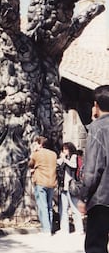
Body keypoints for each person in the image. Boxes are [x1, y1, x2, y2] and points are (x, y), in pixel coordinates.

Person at [77, 85, 109, 253]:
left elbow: (92, 170)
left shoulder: (97, 128)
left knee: (96, 246)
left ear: (96, 105)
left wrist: (83, 197)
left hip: (101, 199)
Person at [28, 136, 57, 235]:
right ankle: (50, 227)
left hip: (40, 182)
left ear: (40, 144)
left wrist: (33, 152)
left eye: (36, 143)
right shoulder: (54, 154)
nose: (35, 145)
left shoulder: (37, 154)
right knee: (49, 206)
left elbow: (30, 164)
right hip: (52, 182)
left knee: (42, 206)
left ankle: (46, 229)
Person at [56, 142, 84, 235]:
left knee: (74, 207)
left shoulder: (74, 157)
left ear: (70, 149)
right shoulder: (65, 158)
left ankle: (79, 229)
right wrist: (62, 158)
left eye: (66, 149)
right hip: (64, 186)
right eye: (63, 149)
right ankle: (64, 229)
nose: (64, 151)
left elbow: (73, 166)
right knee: (63, 208)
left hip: (71, 186)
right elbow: (58, 162)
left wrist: (64, 159)